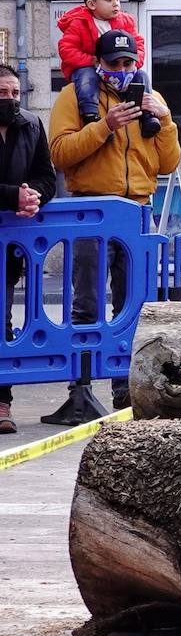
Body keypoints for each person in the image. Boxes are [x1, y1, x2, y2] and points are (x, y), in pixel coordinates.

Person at [48, 29, 181, 418]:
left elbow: (169, 164)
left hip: (139, 210)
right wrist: (104, 126)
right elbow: (60, 153)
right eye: (114, 64)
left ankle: (128, 391)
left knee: (135, 306)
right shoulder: (75, 96)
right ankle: (81, 390)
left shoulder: (148, 97)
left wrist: (167, 121)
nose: (122, 71)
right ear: (98, 64)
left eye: (128, 63)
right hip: (92, 212)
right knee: (87, 303)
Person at [0, 64, 57, 434]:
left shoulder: (31, 125)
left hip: (10, 243)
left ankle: (2, 405)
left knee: (1, 322)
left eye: (15, 94)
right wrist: (11, 196)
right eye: (2, 93)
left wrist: (33, 196)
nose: (9, 100)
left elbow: (46, 176)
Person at [57, 0, 158, 139]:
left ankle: (146, 115)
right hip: (89, 67)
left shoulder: (125, 21)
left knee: (141, 77)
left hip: (118, 68)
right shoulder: (79, 23)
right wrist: (90, 60)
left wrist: (134, 63)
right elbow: (66, 49)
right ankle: (90, 116)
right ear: (91, 4)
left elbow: (138, 42)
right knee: (87, 79)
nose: (116, 3)